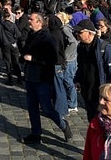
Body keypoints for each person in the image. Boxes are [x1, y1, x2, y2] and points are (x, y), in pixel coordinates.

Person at [20, 12, 72, 144]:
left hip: (42, 78)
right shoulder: (31, 35)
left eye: (31, 19)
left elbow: (52, 59)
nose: (28, 21)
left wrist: (34, 59)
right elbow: (25, 51)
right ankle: (36, 133)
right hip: (30, 77)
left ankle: (63, 125)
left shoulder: (47, 38)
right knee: (32, 107)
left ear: (39, 22)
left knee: (47, 108)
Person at [74, 19, 111, 122]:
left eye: (80, 32)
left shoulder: (104, 48)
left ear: (90, 33)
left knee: (104, 121)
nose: (77, 35)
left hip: (101, 91)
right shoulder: (81, 47)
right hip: (87, 91)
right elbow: (81, 66)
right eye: (77, 32)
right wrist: (78, 79)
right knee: (92, 120)